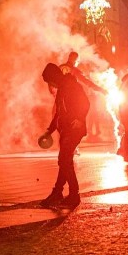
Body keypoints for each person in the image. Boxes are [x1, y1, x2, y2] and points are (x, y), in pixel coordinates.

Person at [39, 62, 90, 209]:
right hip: (66, 130)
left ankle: (73, 195)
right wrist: (50, 130)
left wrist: (79, 119)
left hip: (74, 129)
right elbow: (59, 114)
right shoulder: (62, 89)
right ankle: (59, 193)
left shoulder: (72, 86)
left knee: (63, 160)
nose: (50, 85)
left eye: (50, 81)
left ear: (54, 77)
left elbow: (85, 103)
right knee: (65, 161)